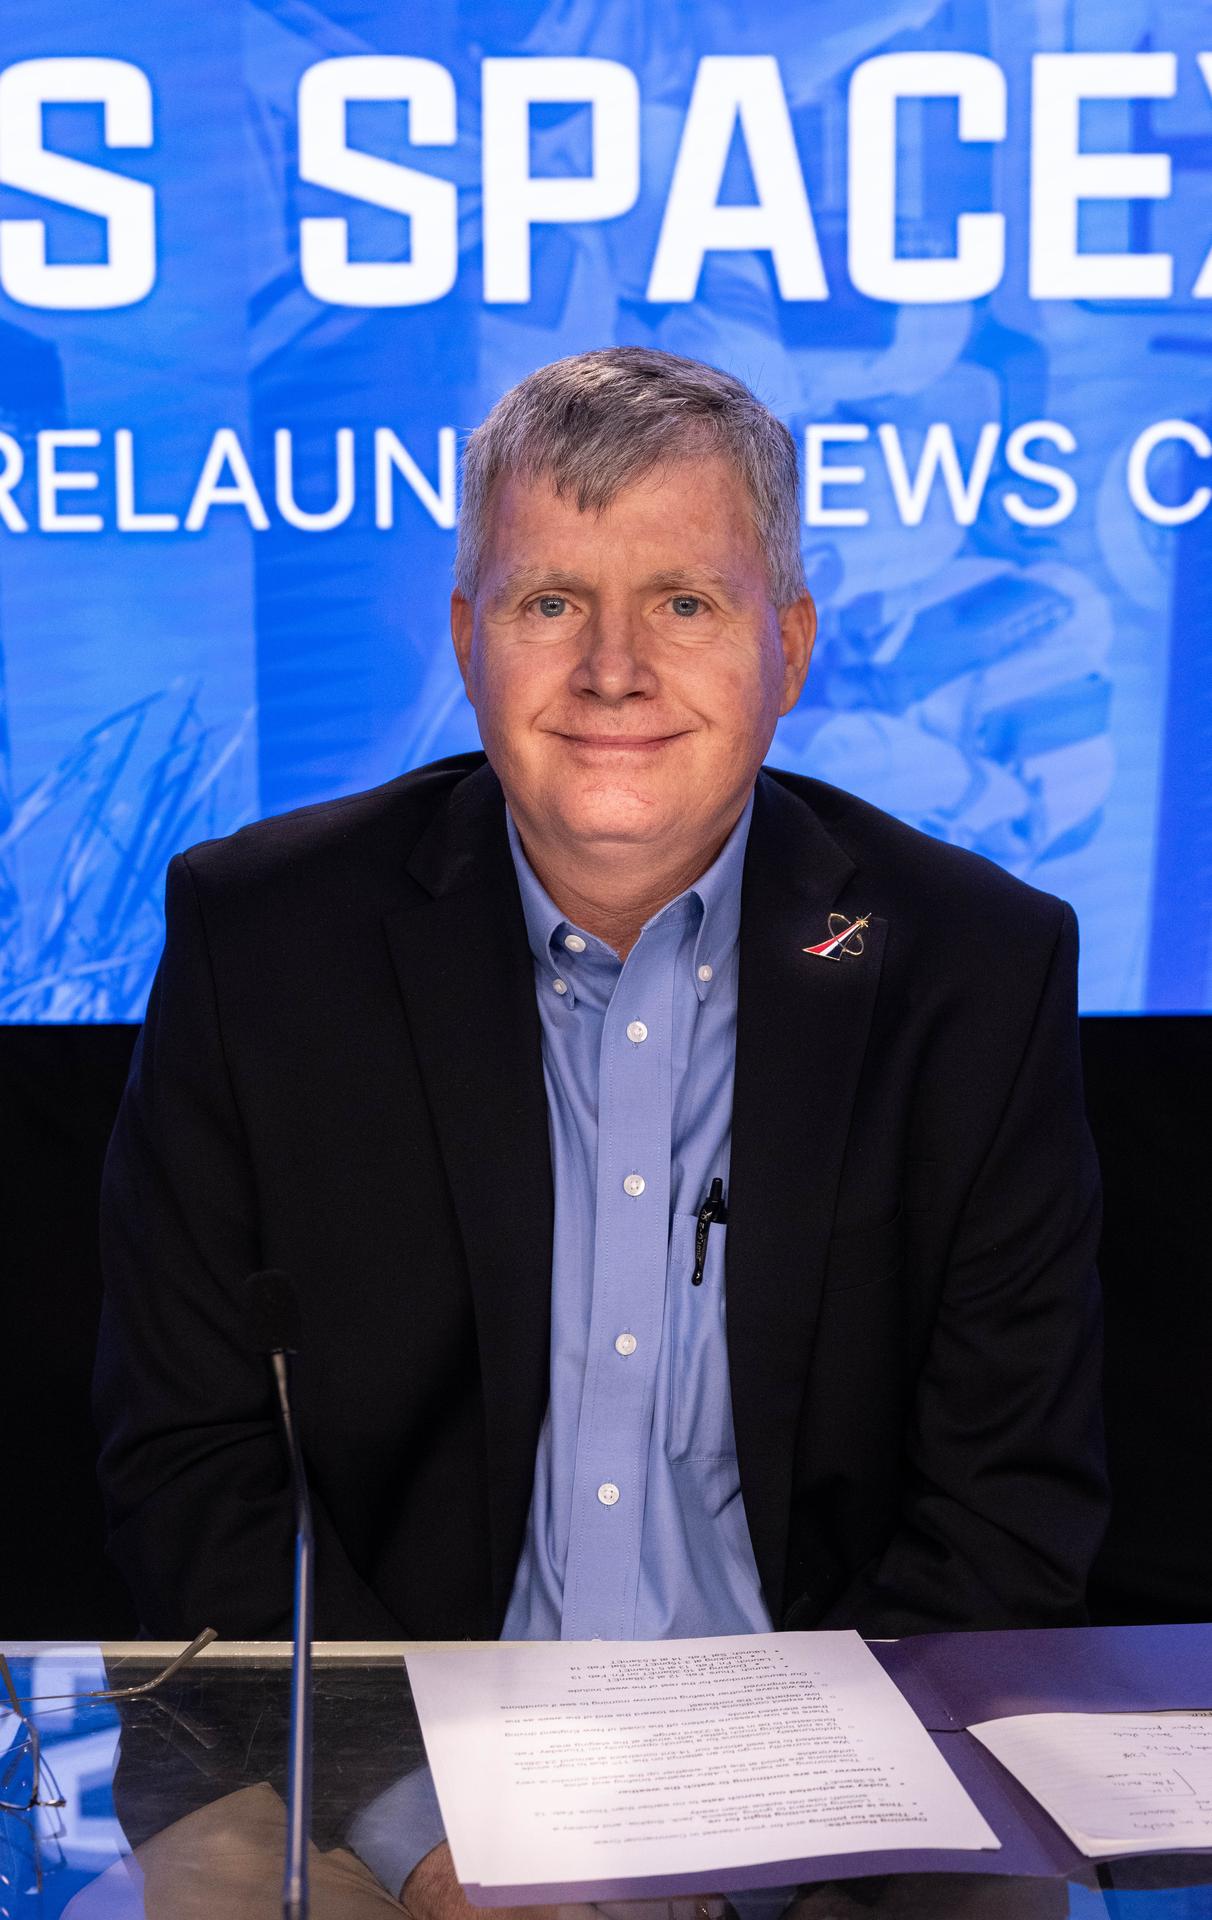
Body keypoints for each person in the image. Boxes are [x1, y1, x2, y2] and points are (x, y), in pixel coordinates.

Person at [94, 347, 1106, 1913]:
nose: (614, 671)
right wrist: (426, 1838)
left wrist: (817, 1828)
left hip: (842, 1771)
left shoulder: (974, 969)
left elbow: (1010, 1503)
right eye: (550, 601)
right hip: (359, 1763)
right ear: (466, 642)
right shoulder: (263, 936)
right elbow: (191, 1461)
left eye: (685, 604)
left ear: (790, 646)